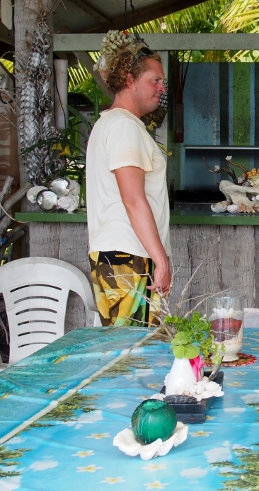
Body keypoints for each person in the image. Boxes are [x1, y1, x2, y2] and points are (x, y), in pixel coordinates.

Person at [86, 40, 171, 326]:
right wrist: (161, 260)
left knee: (134, 354)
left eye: (163, 81)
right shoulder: (123, 126)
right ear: (129, 80)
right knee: (131, 358)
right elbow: (133, 199)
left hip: (125, 256)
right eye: (155, 80)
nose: (162, 87)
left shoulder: (114, 124)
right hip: (129, 257)